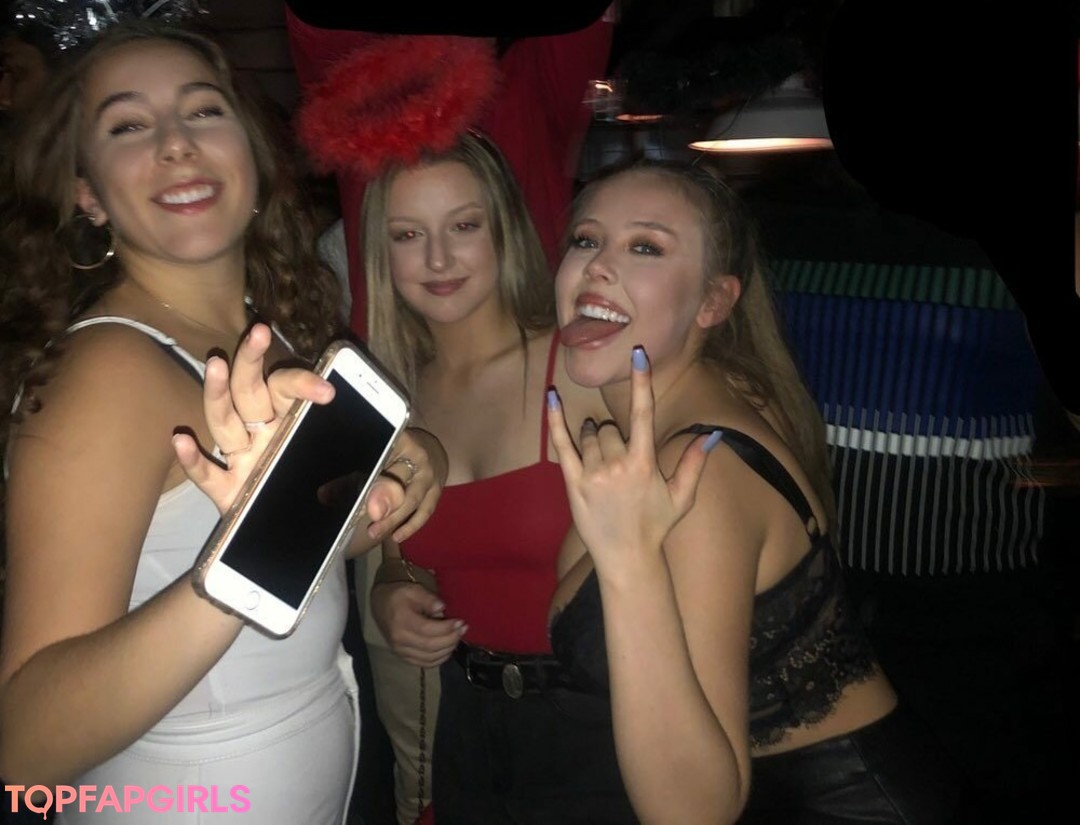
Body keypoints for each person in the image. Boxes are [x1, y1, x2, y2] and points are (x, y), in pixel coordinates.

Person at [0, 21, 444, 824]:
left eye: (204, 111)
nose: (176, 143)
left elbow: (309, 553)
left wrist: (411, 462)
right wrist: (255, 555)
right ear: (86, 192)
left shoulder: (266, 334)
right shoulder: (106, 374)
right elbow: (24, 744)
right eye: (128, 125)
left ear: (252, 153)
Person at [543, 158, 961, 824]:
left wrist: (626, 557)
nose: (597, 266)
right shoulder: (702, 384)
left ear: (713, 302)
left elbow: (692, 813)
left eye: (645, 247)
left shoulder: (699, 475)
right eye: (586, 239)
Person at [362, 131, 607, 824]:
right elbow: (404, 558)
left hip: (600, 720)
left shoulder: (578, 365)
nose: (438, 259)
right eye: (408, 234)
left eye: (464, 226)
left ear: (504, 229)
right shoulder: (395, 398)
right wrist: (390, 594)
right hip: (469, 725)